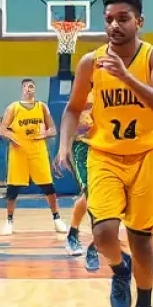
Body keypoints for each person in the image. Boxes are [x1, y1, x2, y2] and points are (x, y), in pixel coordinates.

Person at [58, 0, 153, 307]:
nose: (114, 25)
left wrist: (125, 76)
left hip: (148, 154)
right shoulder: (90, 61)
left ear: (139, 21)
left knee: (141, 238)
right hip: (104, 154)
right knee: (105, 234)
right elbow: (74, 108)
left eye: (122, 18)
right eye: (108, 19)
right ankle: (119, 271)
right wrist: (62, 144)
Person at [0, 78, 67, 236]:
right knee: (13, 189)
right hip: (19, 152)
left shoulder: (42, 106)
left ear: (34, 89)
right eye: (25, 87)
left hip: (38, 151)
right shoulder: (13, 107)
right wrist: (11, 137)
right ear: (22, 89)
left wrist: (45, 134)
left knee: (48, 187)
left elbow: (53, 130)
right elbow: (2, 129)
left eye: (31, 86)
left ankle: (57, 219)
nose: (28, 89)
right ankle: (9, 221)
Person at [64, 94, 97, 263]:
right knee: (90, 191)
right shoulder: (85, 93)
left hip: (106, 147)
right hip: (83, 146)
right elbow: (72, 118)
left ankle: (90, 237)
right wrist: (64, 147)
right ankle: (75, 234)